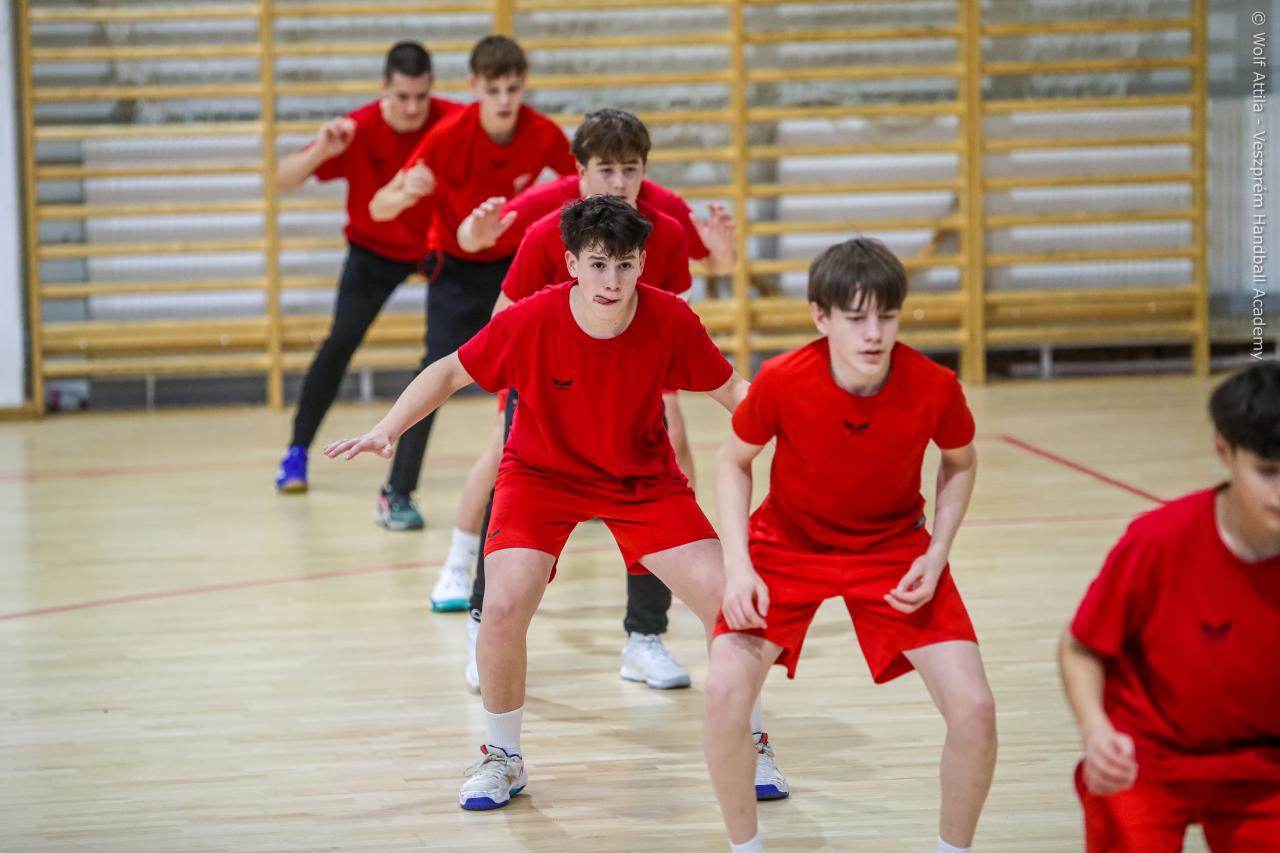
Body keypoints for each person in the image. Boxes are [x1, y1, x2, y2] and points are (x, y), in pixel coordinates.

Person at [324, 196, 786, 811]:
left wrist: (801, 427)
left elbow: (733, 391)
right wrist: (389, 428)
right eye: (597, 264)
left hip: (642, 480)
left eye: (624, 265)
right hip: (540, 476)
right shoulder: (532, 319)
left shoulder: (670, 318)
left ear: (642, 264)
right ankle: (502, 756)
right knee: (502, 606)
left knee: (727, 597)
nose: (611, 281)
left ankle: (746, 741)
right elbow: (449, 371)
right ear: (571, 264)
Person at [706, 237, 997, 853]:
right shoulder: (783, 380)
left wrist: (937, 553)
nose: (874, 334)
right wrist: (737, 567)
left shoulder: (934, 385)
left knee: (975, 710)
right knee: (724, 694)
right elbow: (732, 461)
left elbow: (960, 461)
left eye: (886, 316)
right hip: (787, 546)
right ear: (821, 316)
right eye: (856, 317)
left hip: (894, 550)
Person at [442, 111, 704, 695]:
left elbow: (675, 326)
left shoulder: (665, 233)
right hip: (549, 392)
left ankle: (645, 637)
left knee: (655, 497)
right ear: (579, 173)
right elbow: (500, 322)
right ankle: (484, 623)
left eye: (629, 170)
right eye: (605, 170)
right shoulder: (547, 234)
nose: (618, 182)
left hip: (628, 396)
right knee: (510, 490)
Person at [1059, 361, 1280, 853]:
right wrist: (1095, 731)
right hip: (1145, 758)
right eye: (1267, 472)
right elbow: (1080, 647)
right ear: (1224, 450)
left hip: (1265, 766)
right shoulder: (1159, 541)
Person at [367, 33, 576, 534]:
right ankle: (396, 492)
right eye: (494, 90)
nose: (504, 100)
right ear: (474, 86)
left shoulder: (542, 133)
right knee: (437, 371)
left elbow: (583, 186)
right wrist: (404, 192)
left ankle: (573, 483)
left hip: (515, 266)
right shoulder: (448, 136)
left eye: (513, 89)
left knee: (551, 368)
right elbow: (379, 207)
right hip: (456, 268)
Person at [272, 41, 461, 492]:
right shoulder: (357, 129)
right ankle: (296, 452)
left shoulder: (454, 121)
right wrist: (321, 151)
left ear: (432, 87)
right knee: (339, 343)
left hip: (440, 250)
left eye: (421, 96)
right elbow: (284, 179)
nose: (412, 108)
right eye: (402, 96)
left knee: (466, 349)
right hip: (373, 251)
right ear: (383, 87)